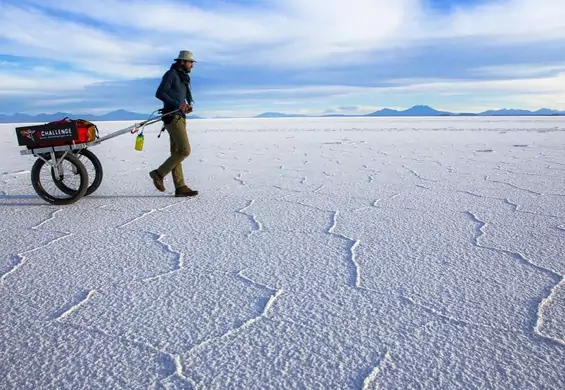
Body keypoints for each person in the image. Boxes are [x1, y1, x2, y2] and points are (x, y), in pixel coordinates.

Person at [149, 50, 199, 197]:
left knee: (176, 152)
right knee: (185, 150)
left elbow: (178, 99)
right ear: (182, 62)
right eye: (190, 62)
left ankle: (180, 187)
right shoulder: (171, 74)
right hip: (173, 117)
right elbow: (160, 93)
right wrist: (178, 104)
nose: (192, 65)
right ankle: (158, 173)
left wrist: (185, 106)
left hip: (180, 117)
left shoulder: (183, 78)